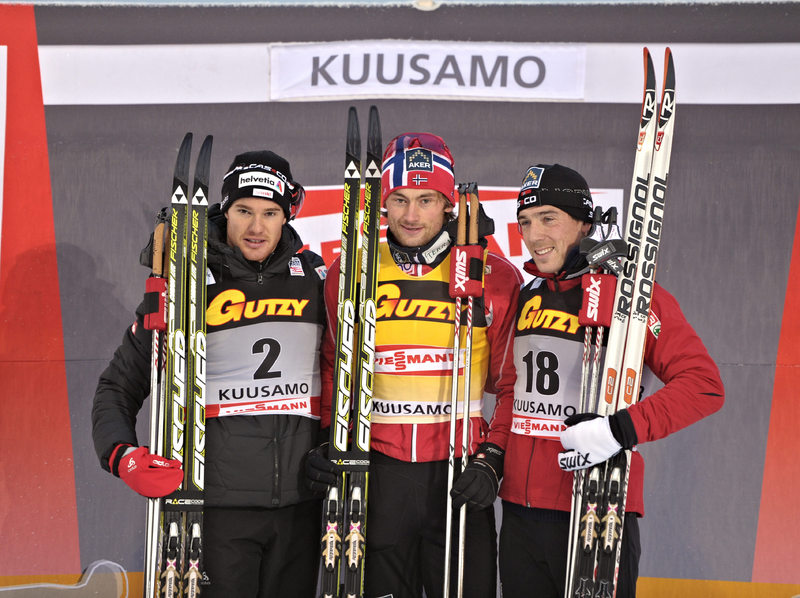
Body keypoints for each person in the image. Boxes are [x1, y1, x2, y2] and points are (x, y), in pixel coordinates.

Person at [91, 150, 327, 598]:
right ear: (224, 209)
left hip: (301, 507)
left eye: (269, 213)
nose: (256, 227)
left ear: (287, 214)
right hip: (214, 511)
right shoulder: (187, 283)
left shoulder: (315, 278)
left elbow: (343, 376)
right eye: (243, 211)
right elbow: (118, 385)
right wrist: (121, 454)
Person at [306, 132, 523, 598]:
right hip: (378, 470)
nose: (410, 214)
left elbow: (511, 386)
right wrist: (329, 438)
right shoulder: (352, 271)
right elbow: (332, 365)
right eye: (399, 199)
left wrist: (493, 459)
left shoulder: (495, 275)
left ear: (449, 203)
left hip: (458, 469)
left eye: (426, 199)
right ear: (383, 202)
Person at [497, 163, 725, 598]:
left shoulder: (632, 295)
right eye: (525, 222)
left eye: (549, 218)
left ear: (584, 224)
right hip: (520, 514)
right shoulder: (528, 296)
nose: (534, 234)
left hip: (595, 506)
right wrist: (494, 454)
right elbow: (512, 390)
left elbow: (703, 384)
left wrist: (619, 429)